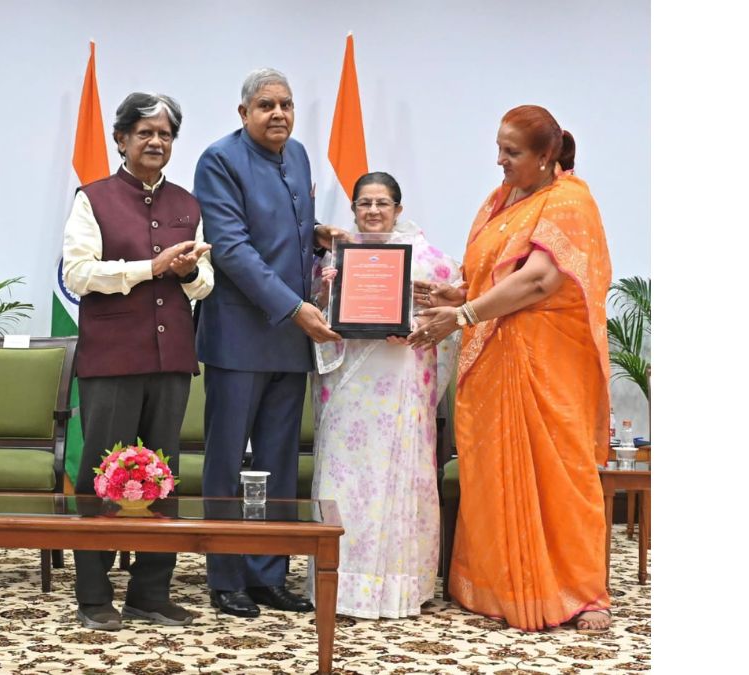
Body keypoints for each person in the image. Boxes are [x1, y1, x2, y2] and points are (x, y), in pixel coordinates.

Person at [407, 105, 613, 632]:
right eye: (498, 148)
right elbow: (495, 274)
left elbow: (541, 280)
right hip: (494, 356)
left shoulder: (569, 201)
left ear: (546, 156)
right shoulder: (502, 200)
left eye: (512, 152)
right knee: (493, 473)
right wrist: (459, 293)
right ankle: (502, 585)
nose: (499, 160)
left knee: (560, 474)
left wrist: (464, 313)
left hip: (547, 362)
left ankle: (582, 592)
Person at [193, 67, 343, 618]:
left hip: (289, 339)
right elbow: (231, 248)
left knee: (280, 460)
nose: (278, 113)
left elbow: (286, 228)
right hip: (239, 336)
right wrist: (295, 308)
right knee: (227, 461)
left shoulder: (299, 154)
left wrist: (320, 234)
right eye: (265, 105)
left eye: (286, 103)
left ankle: (267, 573)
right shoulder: (219, 160)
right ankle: (226, 575)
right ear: (243, 114)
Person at [62, 92, 213, 631]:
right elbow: (78, 274)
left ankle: (151, 592)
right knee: (103, 475)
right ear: (120, 139)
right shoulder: (93, 198)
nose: (156, 142)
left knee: (162, 476)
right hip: (112, 358)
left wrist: (188, 272)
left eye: (165, 134)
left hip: (171, 358)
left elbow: (204, 284)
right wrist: (151, 266)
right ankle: (93, 594)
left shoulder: (188, 203)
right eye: (145, 133)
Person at [307, 172, 460, 619]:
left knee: (398, 472)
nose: (373, 211)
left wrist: (412, 327)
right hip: (350, 383)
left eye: (382, 203)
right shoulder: (335, 255)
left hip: (400, 378)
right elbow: (316, 314)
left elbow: (447, 311)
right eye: (364, 203)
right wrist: (328, 289)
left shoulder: (429, 259)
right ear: (353, 209)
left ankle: (401, 585)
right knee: (347, 475)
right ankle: (342, 584)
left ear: (398, 208)